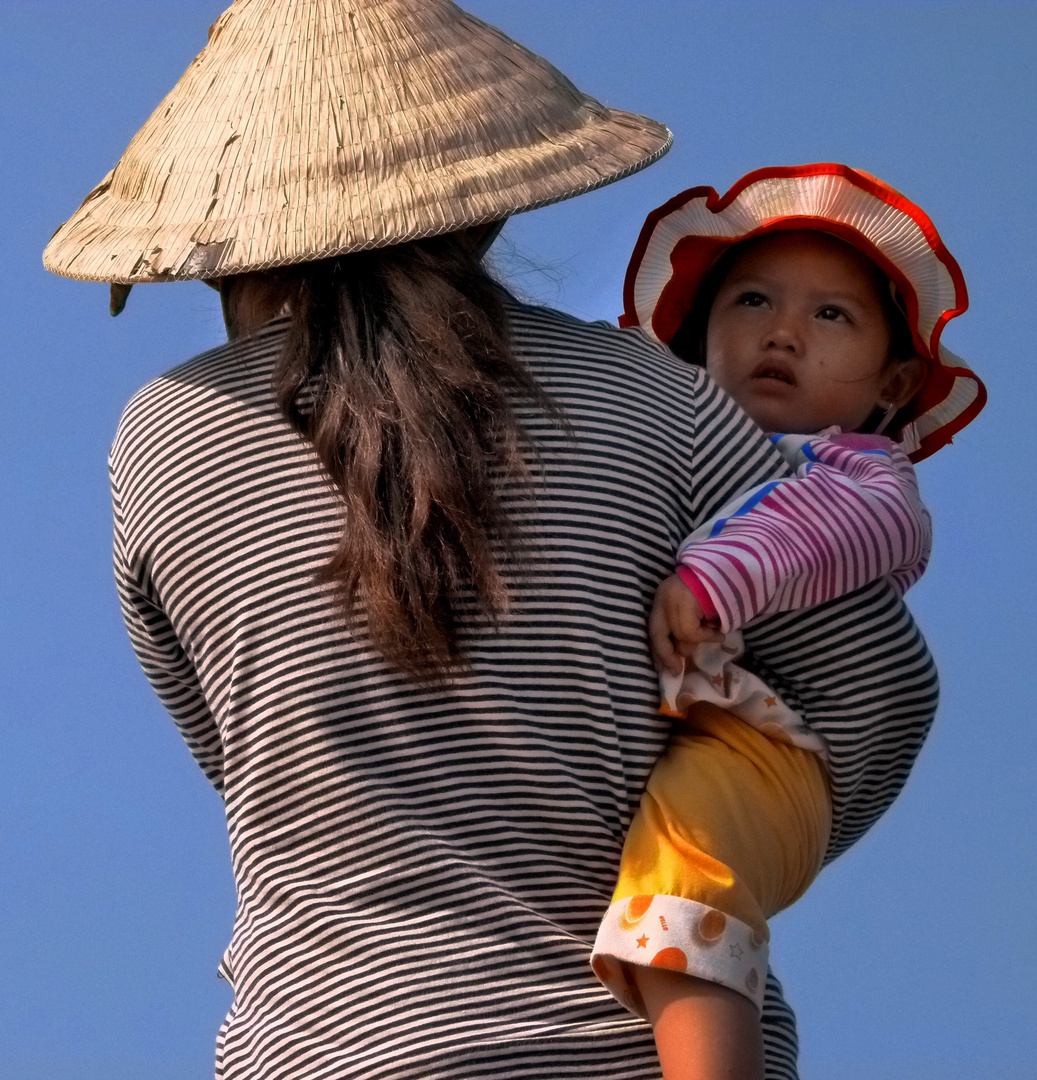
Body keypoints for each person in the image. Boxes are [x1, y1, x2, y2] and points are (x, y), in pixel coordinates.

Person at [44, 5, 940, 1078]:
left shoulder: (166, 437)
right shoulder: (651, 399)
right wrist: (704, 843)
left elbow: (239, 753)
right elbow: (873, 691)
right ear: (479, 208)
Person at [591, 164, 985, 1079]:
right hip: (680, 720)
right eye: (753, 301)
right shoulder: (668, 443)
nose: (781, 331)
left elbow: (835, 531)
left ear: (891, 382)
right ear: (695, 345)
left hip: (767, 745)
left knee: (685, 857)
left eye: (829, 315)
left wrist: (720, 575)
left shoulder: (855, 472)